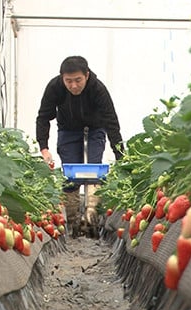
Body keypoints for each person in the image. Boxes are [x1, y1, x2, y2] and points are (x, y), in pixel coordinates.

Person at [35, 55, 124, 238]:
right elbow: (44, 117)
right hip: (68, 129)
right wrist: (44, 147)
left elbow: (111, 121)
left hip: (95, 128)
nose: (73, 86)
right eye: (68, 81)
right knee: (71, 173)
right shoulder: (55, 88)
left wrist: (120, 154)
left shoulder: (98, 89)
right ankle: (73, 222)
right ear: (62, 78)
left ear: (87, 75)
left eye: (78, 80)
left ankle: (92, 220)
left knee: (93, 170)